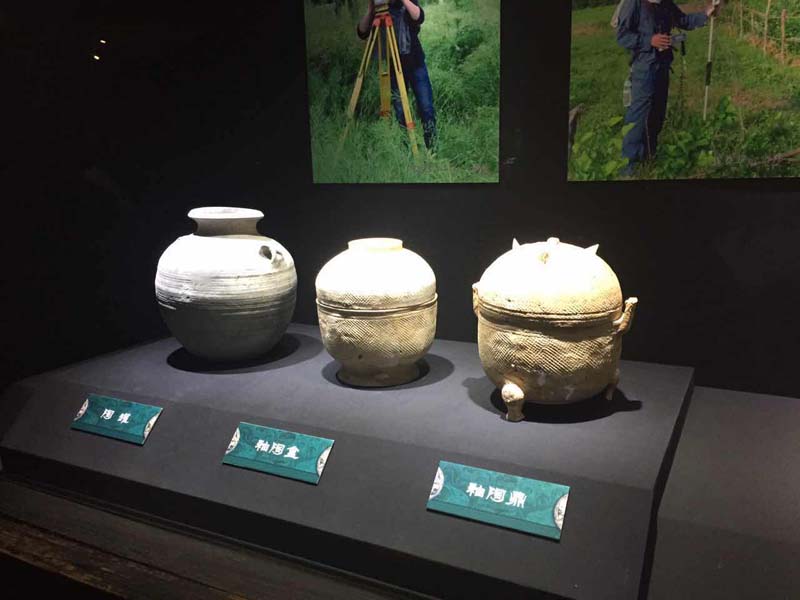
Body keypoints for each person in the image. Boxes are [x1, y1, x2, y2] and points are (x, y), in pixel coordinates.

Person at [616, 0, 719, 175]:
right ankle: (629, 168)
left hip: (662, 67)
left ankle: (649, 159)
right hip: (644, 70)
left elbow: (683, 21)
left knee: (657, 116)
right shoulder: (634, 4)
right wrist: (650, 40)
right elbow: (622, 36)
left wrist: (706, 14)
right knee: (638, 118)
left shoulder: (665, 3)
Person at [357, 0, 437, 149]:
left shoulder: (405, 3)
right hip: (394, 68)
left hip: (416, 63)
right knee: (401, 114)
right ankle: (407, 151)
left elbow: (419, 17)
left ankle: (432, 149)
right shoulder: (379, 10)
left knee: (426, 108)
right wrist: (370, 10)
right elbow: (361, 32)